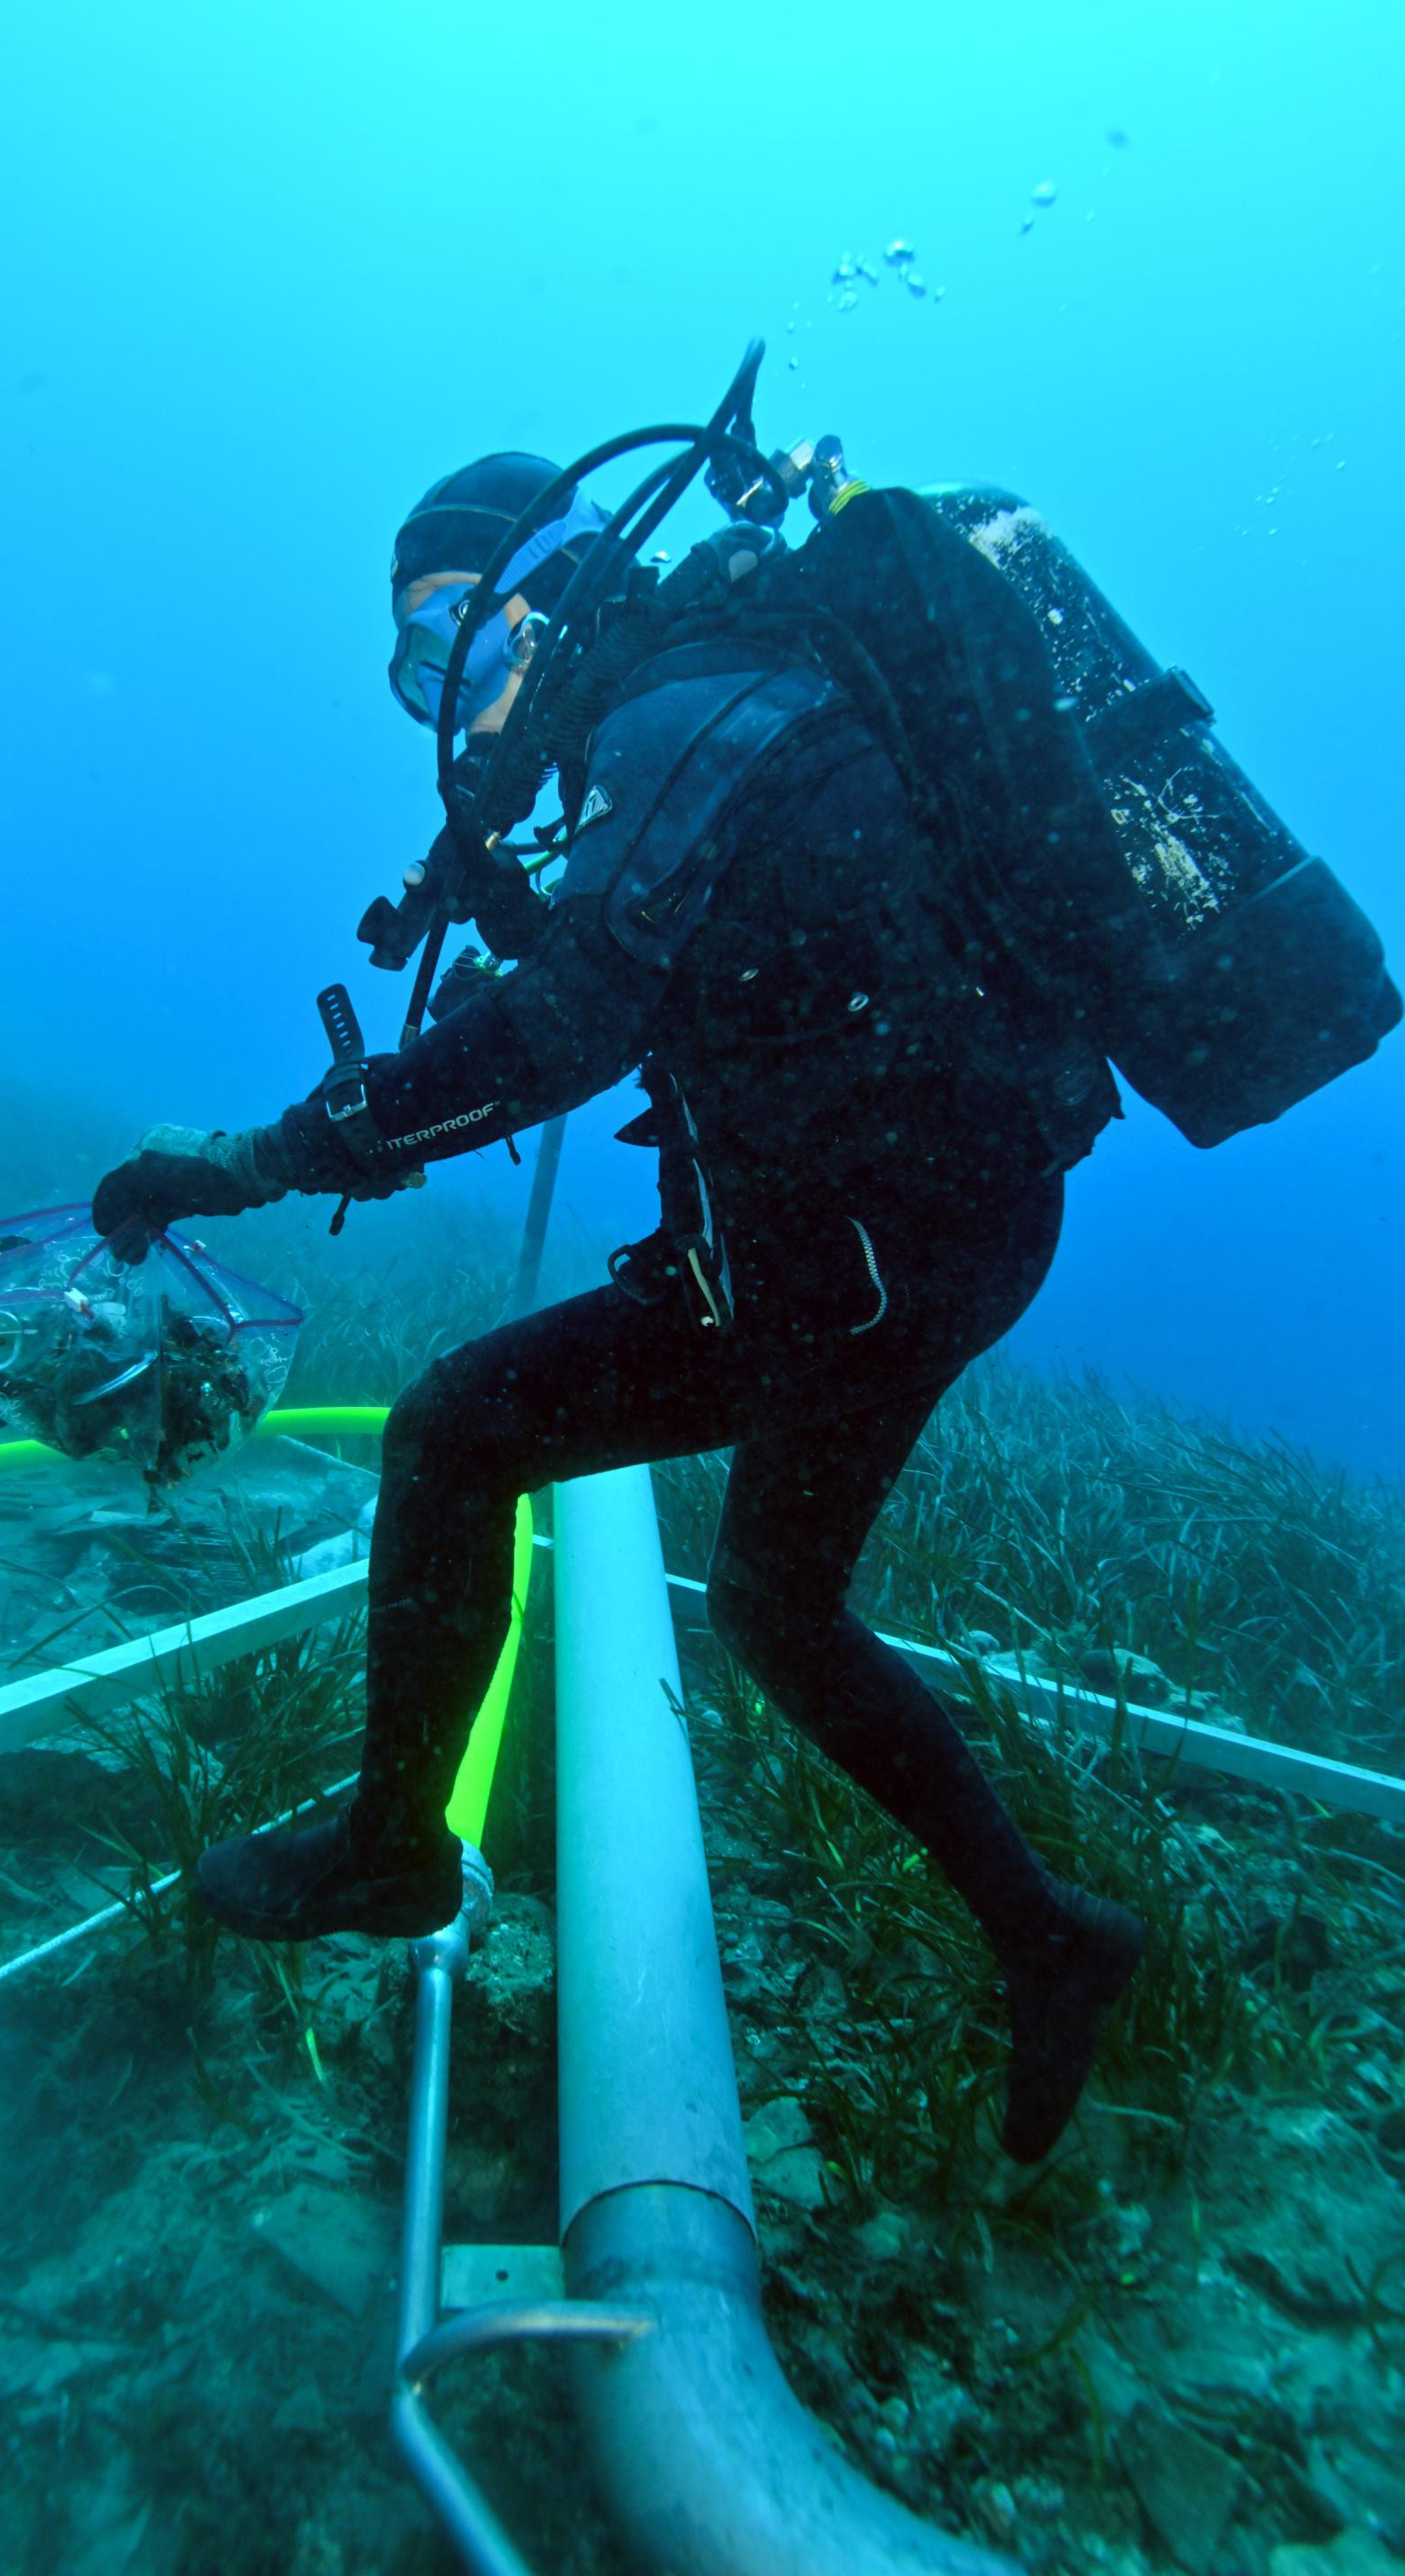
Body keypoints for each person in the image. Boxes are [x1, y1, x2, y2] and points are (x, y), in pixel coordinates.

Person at [92, 448, 1147, 2162]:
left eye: (449, 645)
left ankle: (389, 1849)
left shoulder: (678, 712)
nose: (447, 707)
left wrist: (254, 1161)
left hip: (863, 1257)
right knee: (777, 1608)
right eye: (415, 677)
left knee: (456, 1432)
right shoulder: (719, 695)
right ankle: (1054, 1940)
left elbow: (559, 1032)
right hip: (932, 1231)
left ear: (552, 590)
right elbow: (693, 964)